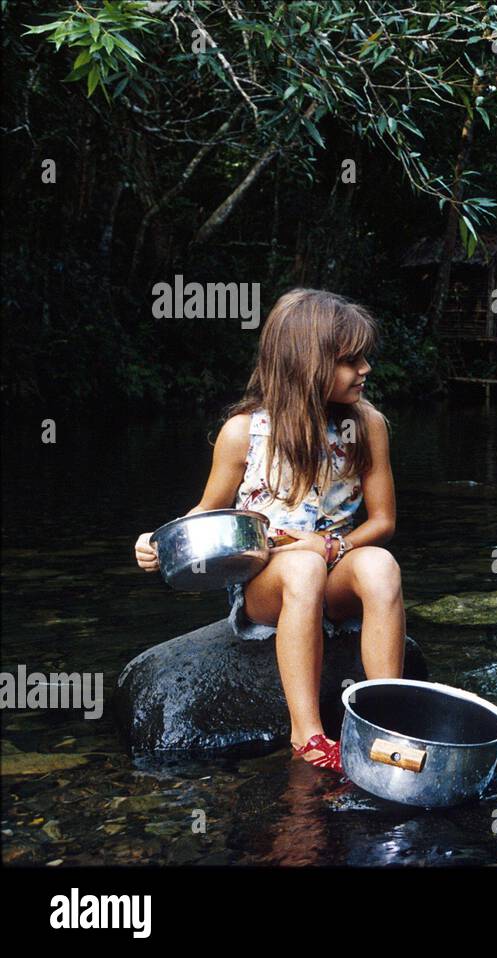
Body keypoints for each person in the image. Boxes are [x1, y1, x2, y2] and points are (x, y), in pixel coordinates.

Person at [134, 289, 405, 773]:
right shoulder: (245, 431)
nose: (365, 369)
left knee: (381, 566)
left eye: (364, 358)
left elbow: (383, 522)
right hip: (272, 586)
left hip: (335, 573)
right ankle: (309, 734)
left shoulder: (368, 426)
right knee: (300, 566)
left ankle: (389, 720)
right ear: (307, 363)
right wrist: (156, 541)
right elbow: (207, 510)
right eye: (350, 361)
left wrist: (332, 544)